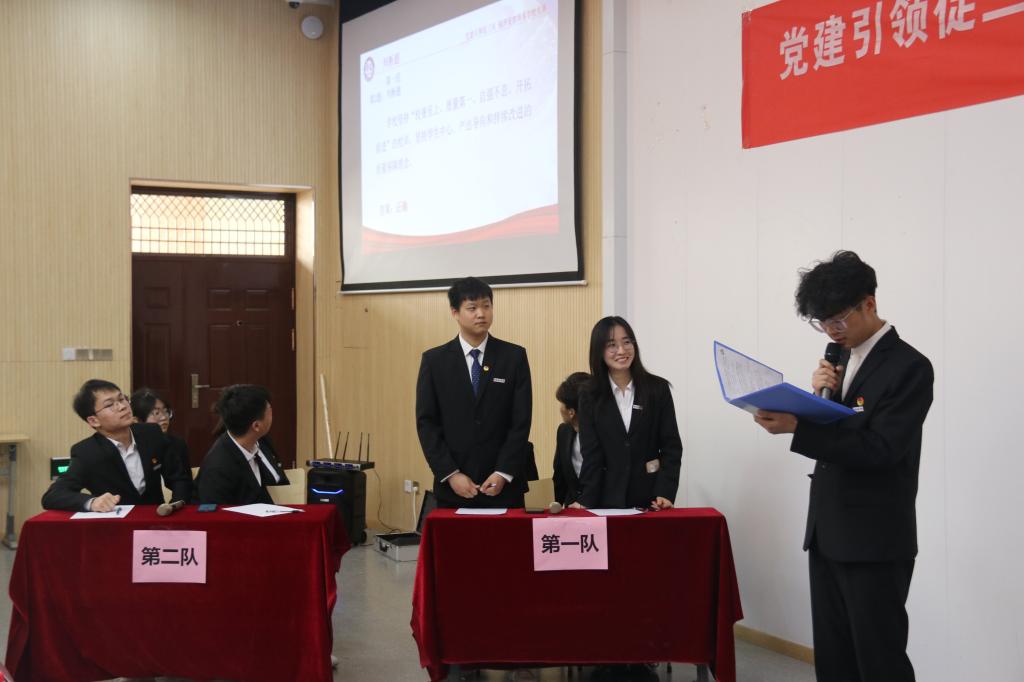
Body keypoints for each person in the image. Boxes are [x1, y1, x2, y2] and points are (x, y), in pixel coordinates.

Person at [753, 250, 934, 682]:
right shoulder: (840, 359)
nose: (831, 331)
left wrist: (799, 427)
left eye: (838, 319)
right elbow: (841, 435)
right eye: (822, 322)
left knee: (879, 662)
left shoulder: (910, 367)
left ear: (869, 303)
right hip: (827, 533)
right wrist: (817, 399)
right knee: (834, 662)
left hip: (874, 541)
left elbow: (881, 449)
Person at [416, 276, 533, 509]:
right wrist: (451, 474)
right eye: (472, 308)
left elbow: (521, 421)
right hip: (454, 487)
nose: (481, 314)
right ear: (455, 312)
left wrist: (503, 472)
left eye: (486, 306)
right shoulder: (435, 361)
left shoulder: (514, 357)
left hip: (504, 486)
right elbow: (427, 424)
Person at [575, 317, 682, 511]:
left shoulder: (657, 389)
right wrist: (586, 499)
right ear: (599, 351)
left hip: (651, 500)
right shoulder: (589, 395)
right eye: (612, 345)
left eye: (626, 342)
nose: (622, 351)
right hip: (605, 500)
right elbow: (591, 454)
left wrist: (665, 492)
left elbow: (671, 447)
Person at [42, 379, 191, 512]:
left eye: (122, 399)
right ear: (94, 421)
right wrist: (92, 502)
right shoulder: (87, 452)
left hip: (155, 520)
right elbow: (53, 495)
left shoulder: (151, 433)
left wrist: (175, 507)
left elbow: (178, 478)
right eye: (110, 405)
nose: (122, 406)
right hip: (116, 524)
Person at [195, 384, 290, 505]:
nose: (272, 413)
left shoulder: (259, 440)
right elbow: (216, 514)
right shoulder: (218, 469)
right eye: (269, 410)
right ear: (256, 426)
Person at [130, 387, 191, 474]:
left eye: (166, 411)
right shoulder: (132, 448)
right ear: (137, 420)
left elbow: (185, 479)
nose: (164, 417)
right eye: (156, 413)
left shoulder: (178, 444)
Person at [551, 371, 590, 506]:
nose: (560, 408)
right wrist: (555, 505)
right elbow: (560, 475)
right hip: (571, 507)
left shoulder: (605, 434)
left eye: (561, 403)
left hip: (600, 507)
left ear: (571, 412)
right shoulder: (564, 431)